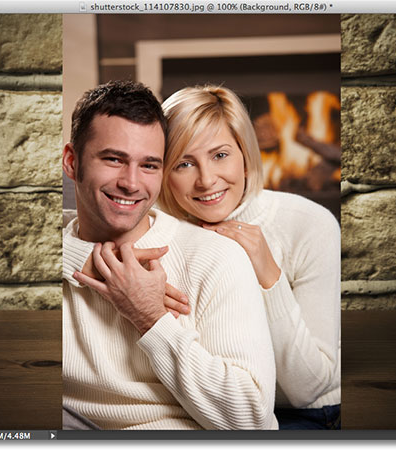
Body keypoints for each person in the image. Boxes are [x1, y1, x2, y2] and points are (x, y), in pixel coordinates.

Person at [61, 80, 277, 430]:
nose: (131, 183)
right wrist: (81, 259)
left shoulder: (217, 258)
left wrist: (150, 317)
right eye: (114, 160)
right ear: (72, 162)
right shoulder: (46, 250)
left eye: (149, 165)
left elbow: (250, 420)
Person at [157, 85, 341, 429]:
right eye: (184, 163)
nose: (207, 180)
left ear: (245, 156)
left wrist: (269, 275)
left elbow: (308, 389)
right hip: (205, 411)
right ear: (166, 175)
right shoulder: (159, 231)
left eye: (220, 155)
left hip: (299, 413)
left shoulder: (310, 224)